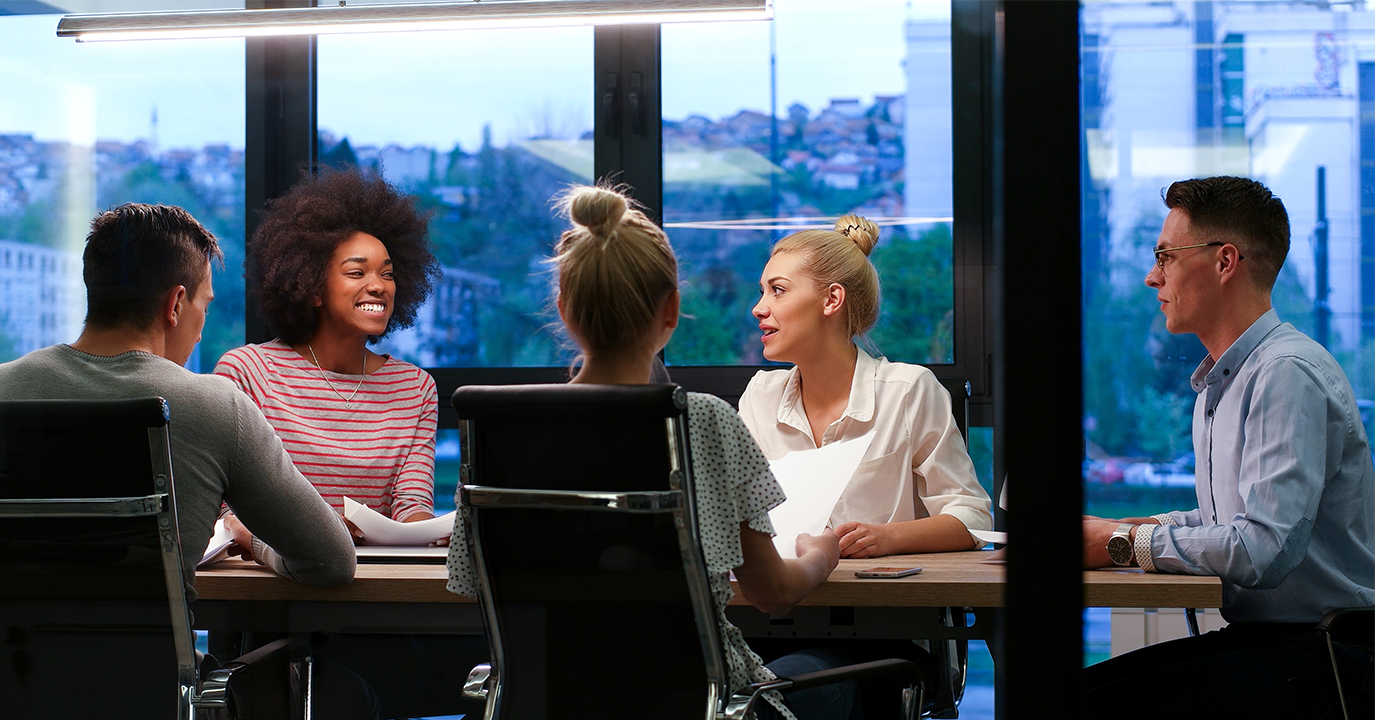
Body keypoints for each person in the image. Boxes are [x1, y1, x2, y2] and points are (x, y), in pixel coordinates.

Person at [446, 185, 857, 720]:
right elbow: (773, 592)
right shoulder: (703, 420)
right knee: (841, 679)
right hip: (704, 705)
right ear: (672, 309)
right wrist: (820, 555)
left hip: (554, 702)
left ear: (565, 309)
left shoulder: (500, 427)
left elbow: (465, 582)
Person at [1082, 176, 1374, 717]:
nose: (1152, 276)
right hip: (1282, 643)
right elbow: (1231, 520)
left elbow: (1261, 547)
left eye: (1166, 255)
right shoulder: (1227, 381)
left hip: (1330, 657)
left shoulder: (1286, 374)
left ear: (1224, 262)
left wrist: (1123, 543)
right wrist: (1115, 530)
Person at [0, 202, 355, 593]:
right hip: (148, 655)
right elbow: (332, 561)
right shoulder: (217, 407)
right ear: (175, 304)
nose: (201, 329)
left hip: (16, 652)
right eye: (204, 303)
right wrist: (252, 542)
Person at [737, 216, 993, 558]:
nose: (758, 308)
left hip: (885, 602)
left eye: (778, 290)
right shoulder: (759, 396)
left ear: (831, 300)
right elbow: (735, 513)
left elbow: (973, 519)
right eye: (762, 292)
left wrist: (888, 537)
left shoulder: (909, 391)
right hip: (783, 603)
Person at [214, 168, 442, 526]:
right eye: (357, 273)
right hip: (268, 573)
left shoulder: (414, 389)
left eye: (387, 273)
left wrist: (429, 531)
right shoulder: (249, 372)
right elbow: (228, 506)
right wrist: (323, 535)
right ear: (313, 288)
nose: (379, 286)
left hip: (374, 576)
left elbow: (412, 504)